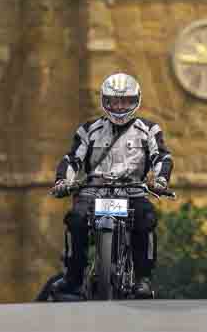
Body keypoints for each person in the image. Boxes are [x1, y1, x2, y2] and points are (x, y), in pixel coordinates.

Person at [51, 72, 173, 299]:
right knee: (75, 219)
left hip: (133, 190)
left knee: (146, 219)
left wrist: (160, 180)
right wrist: (63, 181)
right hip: (94, 190)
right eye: (114, 101)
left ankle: (143, 279)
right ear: (105, 101)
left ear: (136, 101)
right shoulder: (88, 130)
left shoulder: (149, 130)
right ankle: (73, 277)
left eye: (125, 101)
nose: (119, 107)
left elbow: (162, 157)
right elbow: (72, 159)